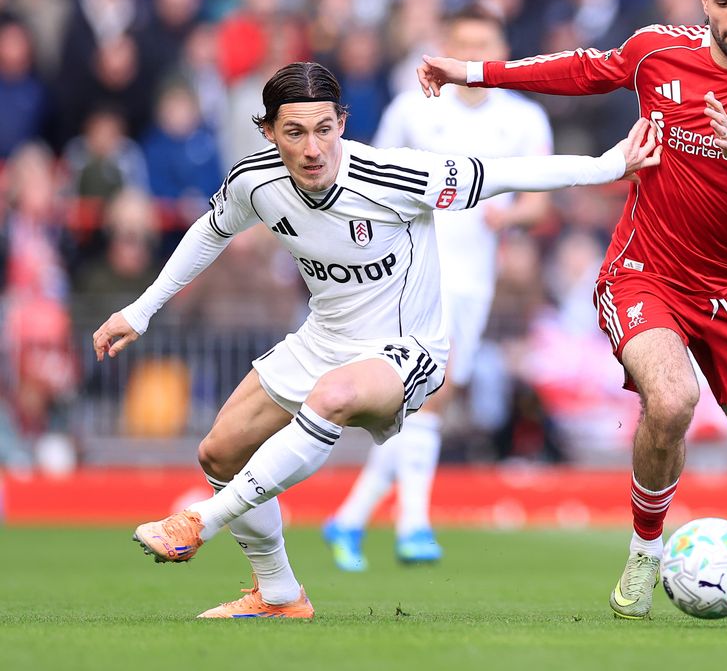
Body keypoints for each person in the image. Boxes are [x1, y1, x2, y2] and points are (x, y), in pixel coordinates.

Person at [93, 61, 661, 618]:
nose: (312, 148)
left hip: (407, 347)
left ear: (342, 122)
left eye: (324, 129)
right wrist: (140, 312)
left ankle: (202, 521)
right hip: (322, 338)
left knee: (332, 397)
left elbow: (505, 173)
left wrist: (606, 165)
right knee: (218, 451)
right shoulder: (255, 182)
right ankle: (279, 594)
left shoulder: (393, 175)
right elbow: (209, 231)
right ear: (268, 131)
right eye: (294, 132)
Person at [418, 0, 727, 620]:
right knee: (670, 400)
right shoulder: (657, 50)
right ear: (703, 0)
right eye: (723, 1)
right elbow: (580, 69)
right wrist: (471, 71)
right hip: (647, 273)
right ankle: (644, 555)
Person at [322, 7, 554, 569]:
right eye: (464, 42)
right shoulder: (412, 108)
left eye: (485, 43)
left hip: (476, 276)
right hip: (413, 271)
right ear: (444, 47)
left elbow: (538, 200)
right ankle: (413, 526)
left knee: (425, 399)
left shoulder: (524, 118)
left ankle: (349, 520)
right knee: (431, 392)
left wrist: (513, 218)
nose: (474, 52)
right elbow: (366, 178)